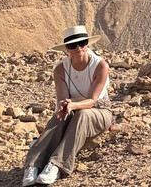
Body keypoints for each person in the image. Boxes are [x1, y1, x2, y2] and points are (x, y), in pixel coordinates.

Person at [22, 25, 113, 186]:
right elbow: (62, 99)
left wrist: (73, 105)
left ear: (87, 44)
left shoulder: (100, 65)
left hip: (98, 110)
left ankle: (57, 165)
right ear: (66, 49)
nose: (78, 48)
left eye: (82, 43)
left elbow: (92, 100)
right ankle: (32, 165)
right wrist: (64, 107)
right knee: (59, 117)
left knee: (83, 115)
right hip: (73, 109)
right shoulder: (60, 69)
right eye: (72, 45)